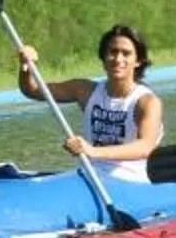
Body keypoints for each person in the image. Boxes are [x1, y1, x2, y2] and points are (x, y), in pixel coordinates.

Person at [15, 25, 164, 177]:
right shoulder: (85, 90)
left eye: (126, 54)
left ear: (138, 61)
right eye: (113, 52)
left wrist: (92, 151)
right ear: (103, 58)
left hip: (132, 181)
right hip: (90, 176)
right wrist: (25, 66)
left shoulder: (147, 102)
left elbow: (145, 147)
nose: (118, 59)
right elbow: (32, 90)